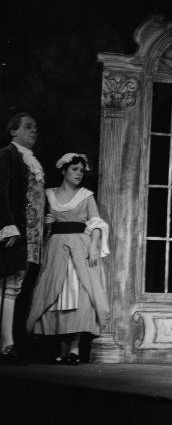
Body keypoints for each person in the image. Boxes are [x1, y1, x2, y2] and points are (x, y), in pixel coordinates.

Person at [27, 153, 109, 364]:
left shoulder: (86, 195)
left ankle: (74, 350)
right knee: (58, 295)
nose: (79, 174)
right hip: (56, 248)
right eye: (74, 169)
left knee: (80, 294)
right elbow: (40, 226)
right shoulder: (49, 195)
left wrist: (93, 244)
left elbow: (97, 223)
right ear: (63, 171)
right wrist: (47, 223)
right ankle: (63, 351)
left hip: (80, 247)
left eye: (81, 170)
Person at [0, 112, 45, 363]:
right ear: (13, 131)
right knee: (7, 287)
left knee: (16, 288)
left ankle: (10, 342)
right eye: (28, 127)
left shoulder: (32, 160)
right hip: (14, 232)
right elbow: (1, 191)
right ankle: (6, 345)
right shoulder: (8, 154)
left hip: (31, 236)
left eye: (35, 127)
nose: (33, 130)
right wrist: (7, 225)